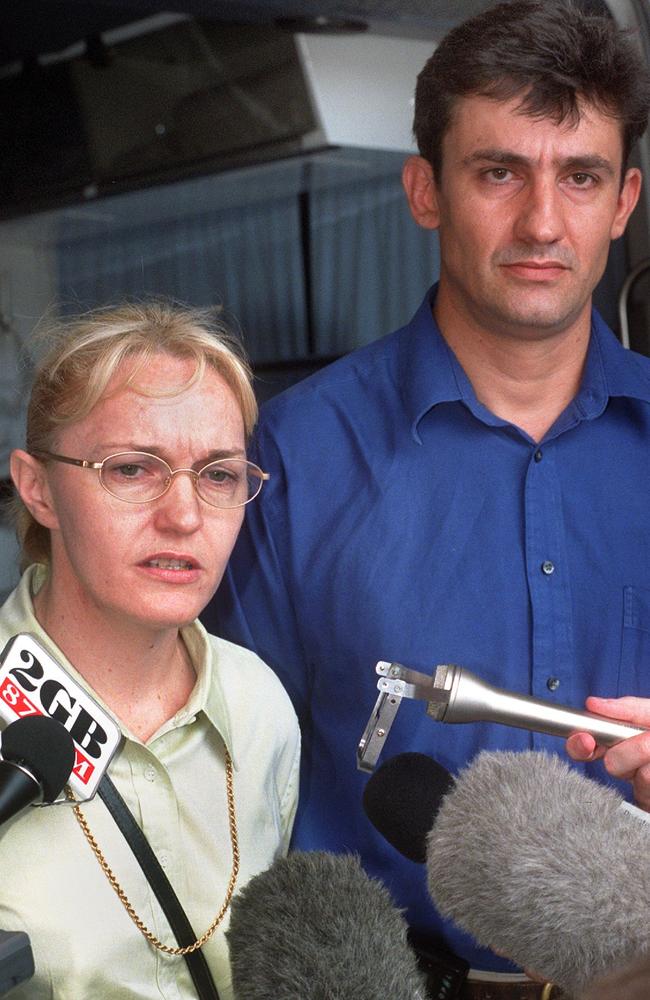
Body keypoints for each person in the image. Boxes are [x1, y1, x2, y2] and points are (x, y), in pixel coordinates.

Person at [205, 0, 650, 995]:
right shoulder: (296, 453)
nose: (541, 222)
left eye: (577, 177)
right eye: (498, 172)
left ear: (621, 201)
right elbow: (223, 766)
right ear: (423, 190)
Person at [0, 302, 300, 999]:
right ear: (37, 487)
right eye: (133, 470)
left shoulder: (260, 706)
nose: (185, 515)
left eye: (220, 475)